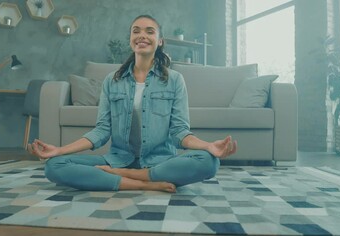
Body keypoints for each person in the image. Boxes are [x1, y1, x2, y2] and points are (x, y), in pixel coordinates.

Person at [28, 14, 237, 193]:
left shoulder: (174, 80)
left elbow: (179, 132)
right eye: (136, 31)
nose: (142, 35)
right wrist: (59, 151)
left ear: (160, 40)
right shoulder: (112, 80)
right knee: (54, 166)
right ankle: (142, 184)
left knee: (209, 162)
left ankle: (126, 176)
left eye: (149, 31)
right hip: (118, 159)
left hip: (160, 162)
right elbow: (101, 131)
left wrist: (208, 146)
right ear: (130, 39)